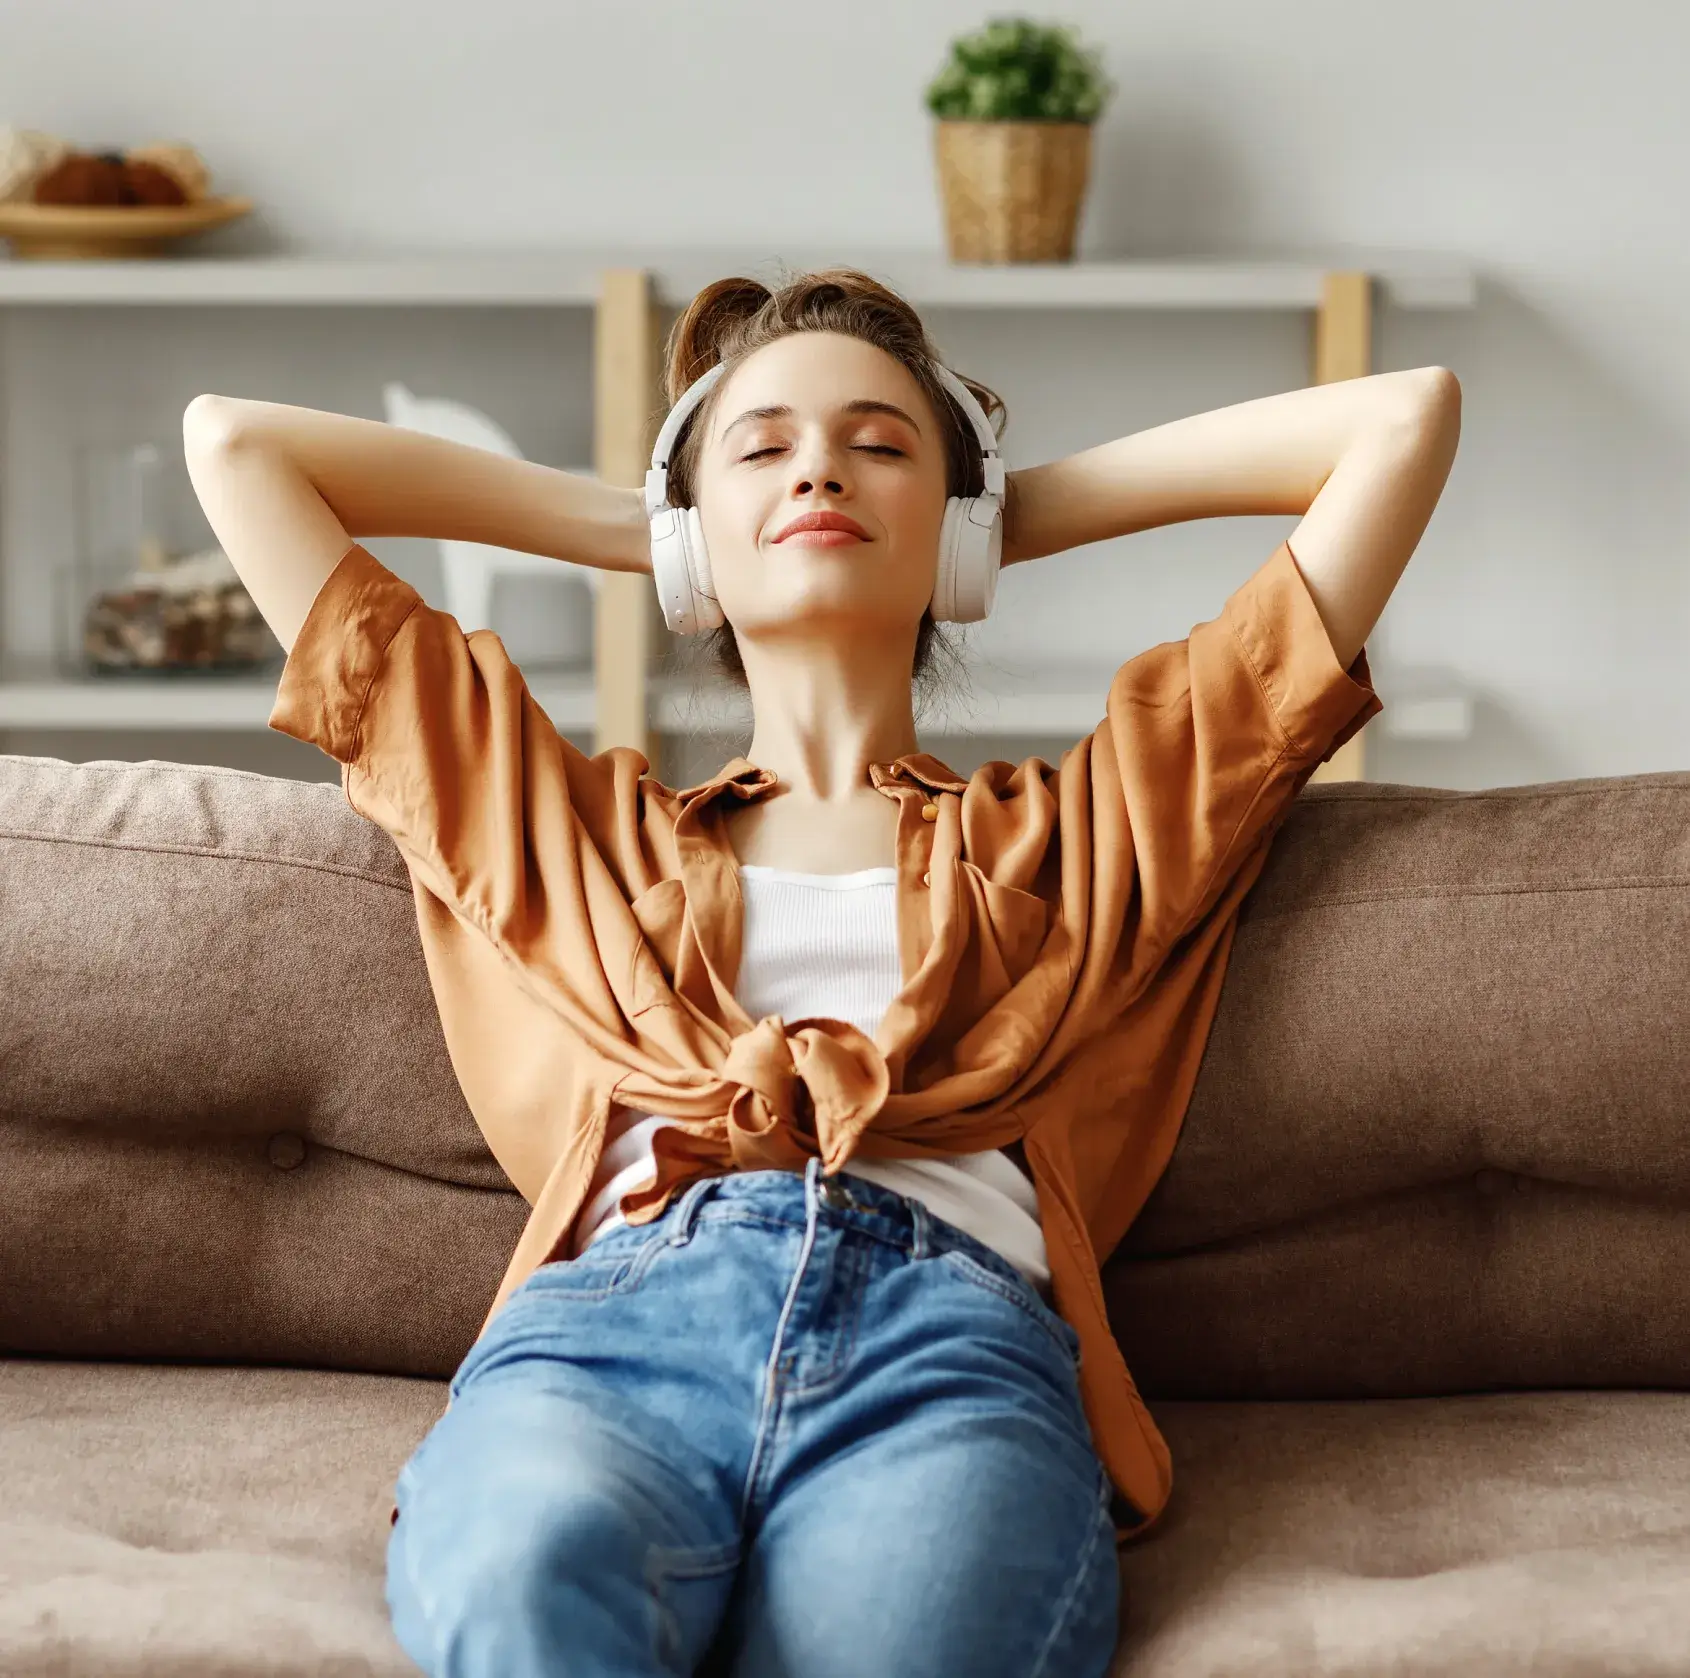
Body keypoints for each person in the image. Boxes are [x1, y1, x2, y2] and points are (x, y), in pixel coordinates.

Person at [184, 266, 1460, 1677]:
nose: (819, 468)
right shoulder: (573, 833)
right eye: (762, 443)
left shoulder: (1083, 835)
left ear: (961, 522)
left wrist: (995, 519)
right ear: (691, 533)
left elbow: (1399, 425)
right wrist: (650, 532)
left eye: (881, 442)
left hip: (945, 1349)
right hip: (613, 1344)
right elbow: (240, 451)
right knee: (523, 1577)